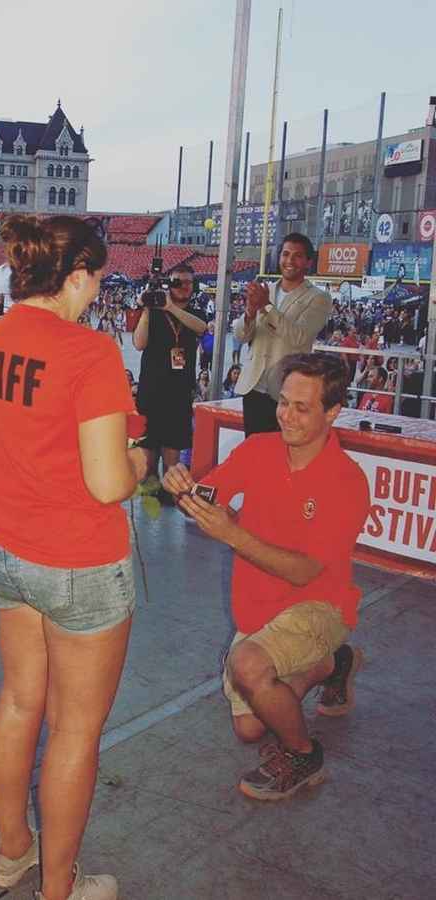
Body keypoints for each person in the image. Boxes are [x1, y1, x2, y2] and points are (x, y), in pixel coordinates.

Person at [0, 214, 148, 900]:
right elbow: (108, 481)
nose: (96, 295)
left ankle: (13, 852)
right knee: (74, 730)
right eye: (96, 281)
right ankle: (60, 889)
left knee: (17, 703)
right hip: (78, 562)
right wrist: (137, 459)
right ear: (75, 276)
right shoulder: (90, 352)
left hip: (7, 552)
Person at [163, 353, 370, 801]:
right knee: (250, 727)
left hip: (319, 603)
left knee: (251, 667)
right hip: (258, 610)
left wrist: (232, 533)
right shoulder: (258, 449)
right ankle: (335, 664)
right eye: (284, 402)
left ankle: (302, 754)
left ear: (332, 412)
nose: (286, 415)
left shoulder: (346, 481)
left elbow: (304, 572)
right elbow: (209, 495)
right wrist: (183, 488)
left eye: (302, 407)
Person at [232, 234, 332, 437]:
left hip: (287, 391)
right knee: (254, 456)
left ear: (308, 262)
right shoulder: (265, 289)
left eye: (297, 256)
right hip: (254, 388)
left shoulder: (319, 298)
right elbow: (241, 336)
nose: (289, 261)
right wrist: (250, 313)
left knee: (280, 459)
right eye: (285, 254)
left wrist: (266, 306)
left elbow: (299, 337)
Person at [133, 263, 207, 479]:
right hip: (151, 393)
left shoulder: (195, 312)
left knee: (172, 462)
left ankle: (168, 501)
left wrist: (170, 308)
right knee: (147, 463)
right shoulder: (153, 313)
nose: (183, 286)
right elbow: (139, 343)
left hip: (179, 394)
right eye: (177, 282)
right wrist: (147, 307)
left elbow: (201, 327)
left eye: (188, 282)